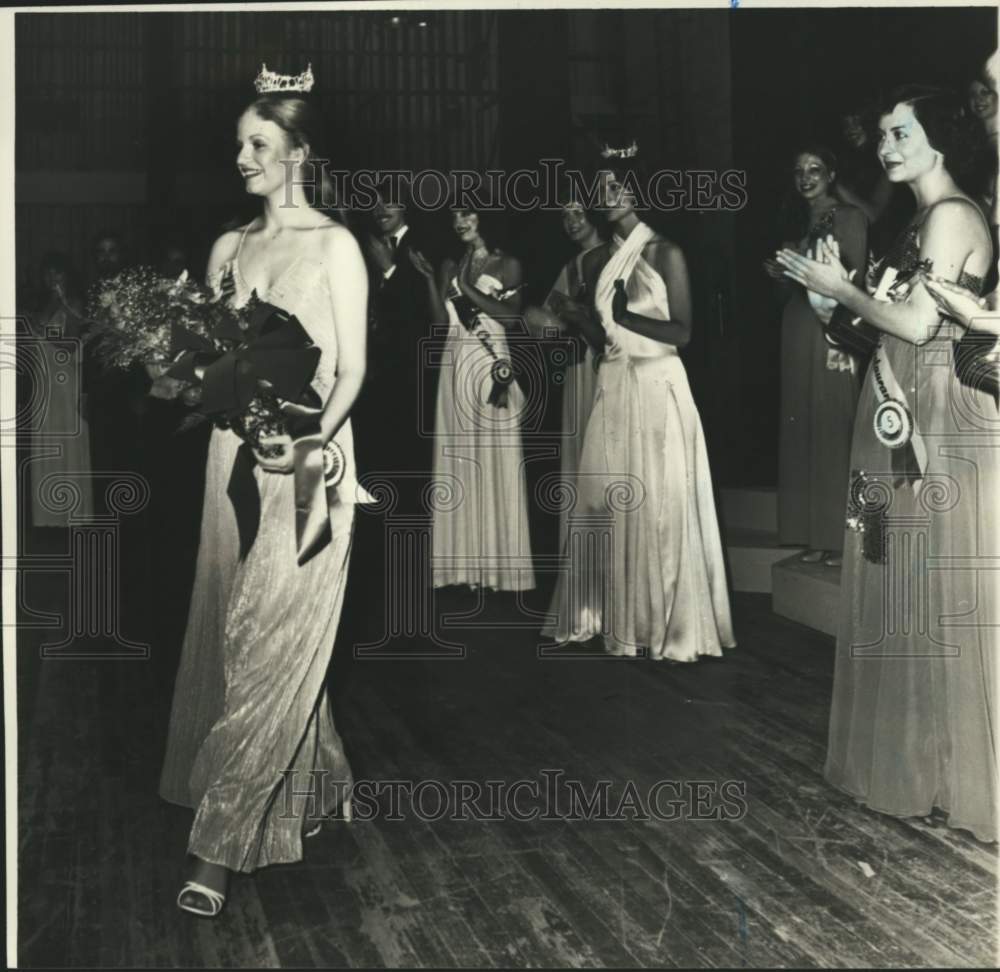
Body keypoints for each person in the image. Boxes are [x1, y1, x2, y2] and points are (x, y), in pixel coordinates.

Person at [158, 63, 371, 915]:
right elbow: (207, 364)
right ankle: (322, 783)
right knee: (238, 633)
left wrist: (308, 438)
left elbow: (353, 367)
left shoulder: (335, 246)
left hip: (316, 463)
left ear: (299, 153)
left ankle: (216, 847)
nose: (241, 157)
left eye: (258, 143)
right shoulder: (228, 248)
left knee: (272, 633)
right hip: (232, 464)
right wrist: (176, 367)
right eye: (239, 144)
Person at [776, 85, 996, 842]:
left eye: (900, 131)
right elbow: (881, 332)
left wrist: (843, 289)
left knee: (926, 587)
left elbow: (913, 322)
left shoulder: (955, 215)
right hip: (891, 404)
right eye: (879, 134)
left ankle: (946, 772)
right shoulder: (916, 224)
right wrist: (827, 307)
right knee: (893, 578)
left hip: (930, 416)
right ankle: (913, 765)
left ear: (942, 140)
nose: (884, 145)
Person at [543, 149, 735, 661]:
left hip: (657, 384)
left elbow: (683, 332)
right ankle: (608, 618)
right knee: (602, 501)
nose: (606, 195)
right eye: (601, 186)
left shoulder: (666, 252)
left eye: (616, 186)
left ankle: (667, 629)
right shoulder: (600, 259)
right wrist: (575, 316)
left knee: (661, 509)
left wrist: (629, 318)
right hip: (613, 383)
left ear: (637, 191)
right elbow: (603, 333)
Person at [411, 205, 535, 592]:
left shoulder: (507, 264)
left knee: (494, 458)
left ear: (486, 218)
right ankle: (462, 569)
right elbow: (439, 323)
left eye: (468, 214)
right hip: (454, 361)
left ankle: (501, 570)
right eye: (455, 217)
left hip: (490, 366)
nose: (459, 222)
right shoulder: (451, 262)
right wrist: (434, 280)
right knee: (459, 460)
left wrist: (464, 288)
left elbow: (512, 318)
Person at [764, 146, 868, 567]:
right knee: (804, 428)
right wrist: (778, 275)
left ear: (831, 173)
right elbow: (786, 295)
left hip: (831, 332)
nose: (805, 177)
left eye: (815, 170)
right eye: (798, 171)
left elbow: (854, 283)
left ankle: (843, 540)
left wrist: (843, 341)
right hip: (796, 328)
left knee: (833, 426)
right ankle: (814, 536)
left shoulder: (850, 217)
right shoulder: (795, 223)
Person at [525, 201, 605, 557]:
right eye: (564, 215)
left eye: (577, 212)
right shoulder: (569, 267)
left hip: (607, 368)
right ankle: (583, 555)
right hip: (578, 370)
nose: (571, 222)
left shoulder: (613, 254)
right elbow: (545, 326)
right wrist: (552, 333)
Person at [355, 181, 433, 487]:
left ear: (406, 207)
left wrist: (390, 271)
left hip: (414, 370)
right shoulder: (369, 247)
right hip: (379, 370)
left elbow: (423, 312)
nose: (380, 209)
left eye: (388, 202)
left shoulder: (425, 243)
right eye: (375, 203)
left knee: (412, 461)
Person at [27, 252, 94, 527]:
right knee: (46, 443)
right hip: (44, 381)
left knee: (68, 441)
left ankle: (74, 514)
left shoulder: (75, 303)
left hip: (67, 381)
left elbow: (72, 344)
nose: (52, 279)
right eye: (48, 274)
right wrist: (46, 316)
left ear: (67, 275)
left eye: (58, 273)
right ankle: (47, 516)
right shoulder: (41, 304)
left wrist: (44, 330)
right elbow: (33, 331)